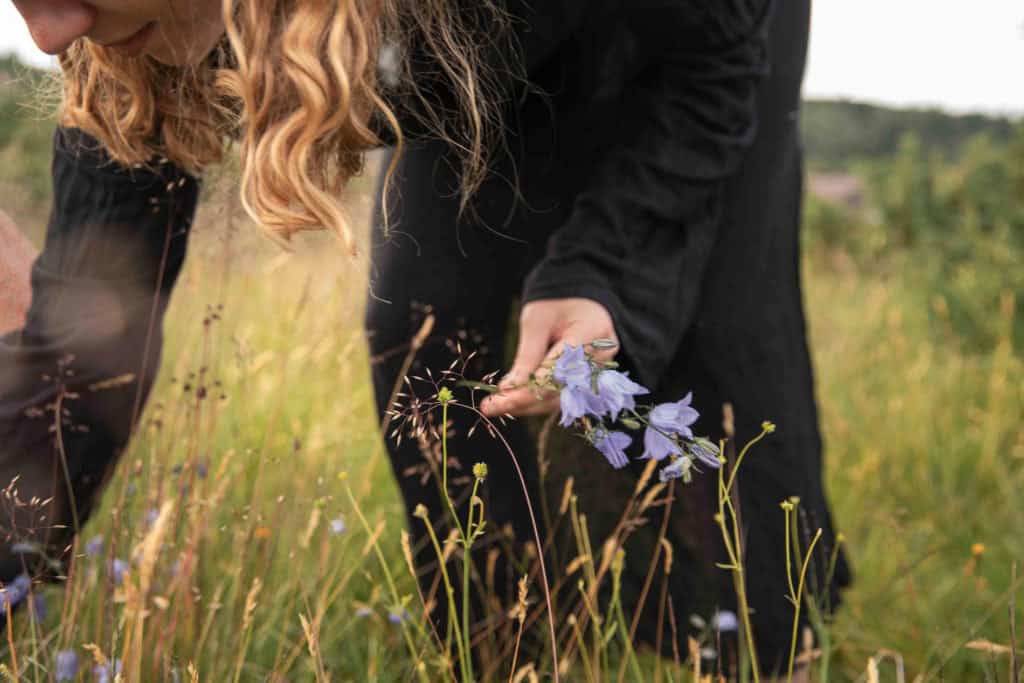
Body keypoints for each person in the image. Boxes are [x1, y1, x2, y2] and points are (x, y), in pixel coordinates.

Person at [4, 0, 850, 674]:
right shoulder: (110, 35)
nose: (47, 32)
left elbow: (715, 63)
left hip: (694, 45)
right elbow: (89, 318)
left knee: (712, 335)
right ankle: (512, 658)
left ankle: (751, 649)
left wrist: (605, 269)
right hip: (457, 37)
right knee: (430, 344)